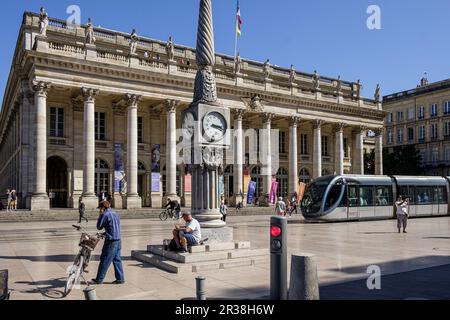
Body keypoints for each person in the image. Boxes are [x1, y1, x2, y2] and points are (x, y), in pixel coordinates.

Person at [91, 200, 125, 285]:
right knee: (117, 260)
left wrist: (100, 215)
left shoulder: (105, 214)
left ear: (102, 208)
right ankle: (120, 278)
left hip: (111, 242)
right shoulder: (115, 213)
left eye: (100, 208)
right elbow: (114, 227)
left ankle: (99, 279)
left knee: (105, 260)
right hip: (118, 240)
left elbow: (99, 226)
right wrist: (106, 233)